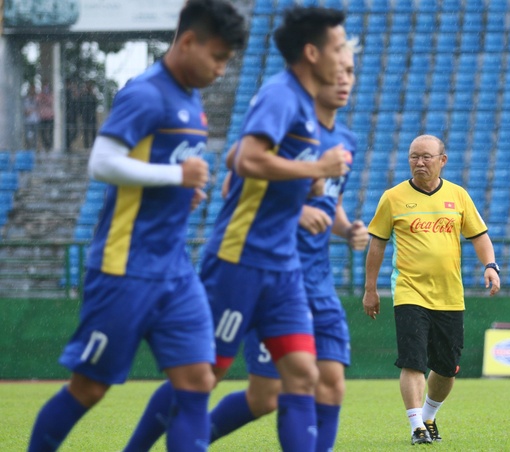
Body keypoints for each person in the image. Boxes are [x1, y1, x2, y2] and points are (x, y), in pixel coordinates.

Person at [124, 6, 348, 452]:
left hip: (283, 267)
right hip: (239, 259)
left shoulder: (306, 107)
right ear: (311, 53)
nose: (344, 60)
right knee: (204, 374)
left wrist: (306, 178)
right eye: (339, 48)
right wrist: (312, 168)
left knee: (303, 374)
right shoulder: (281, 95)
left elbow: (240, 161)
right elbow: (244, 159)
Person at [28, 2, 246, 451]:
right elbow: (103, 162)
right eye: (218, 57)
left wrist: (183, 194)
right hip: (123, 268)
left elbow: (157, 168)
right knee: (89, 388)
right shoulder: (145, 93)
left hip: (175, 271)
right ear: (188, 42)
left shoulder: (191, 97)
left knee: (197, 381)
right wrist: (176, 177)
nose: (222, 70)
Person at [209, 38, 367, 452]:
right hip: (272, 272)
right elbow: (234, 182)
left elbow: (327, 200)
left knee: (331, 383)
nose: (343, 79)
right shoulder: (287, 121)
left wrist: (348, 229)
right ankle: (191, 436)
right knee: (265, 396)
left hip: (317, 280)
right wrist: (295, 213)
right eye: (338, 70)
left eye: (350, 73)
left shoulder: (345, 142)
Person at [362, 135, 501, 446]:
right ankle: (415, 426)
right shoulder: (393, 198)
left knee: (446, 367)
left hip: (450, 295)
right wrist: (370, 289)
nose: (419, 162)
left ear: (442, 160)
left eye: (426, 157)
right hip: (409, 291)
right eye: (414, 157)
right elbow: (376, 246)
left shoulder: (458, 196)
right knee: (413, 360)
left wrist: (491, 265)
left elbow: (479, 236)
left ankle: (428, 416)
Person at [79, 81, 99, 149]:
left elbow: (95, 104)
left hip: (92, 116)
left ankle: (93, 145)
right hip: (85, 116)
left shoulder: (92, 96)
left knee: (93, 131)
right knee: (86, 132)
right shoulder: (83, 95)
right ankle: (86, 146)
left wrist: (93, 94)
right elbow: (80, 105)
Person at [37, 83, 54, 151]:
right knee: (43, 133)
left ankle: (49, 146)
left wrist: (46, 97)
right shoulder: (40, 95)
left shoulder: (51, 95)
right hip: (42, 117)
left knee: (50, 133)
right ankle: (45, 145)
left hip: (50, 116)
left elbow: (51, 102)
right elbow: (37, 100)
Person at [23, 83, 40, 149]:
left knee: (35, 137)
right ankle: (28, 149)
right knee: (28, 137)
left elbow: (39, 109)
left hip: (35, 120)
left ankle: (34, 149)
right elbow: (25, 111)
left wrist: (32, 110)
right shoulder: (26, 99)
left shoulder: (37, 99)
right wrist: (29, 111)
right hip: (28, 121)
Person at [65, 79, 80, 150]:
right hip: (67, 116)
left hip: (73, 115)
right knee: (67, 131)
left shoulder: (72, 93)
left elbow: (77, 104)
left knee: (75, 132)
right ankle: (67, 145)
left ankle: (68, 144)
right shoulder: (66, 93)